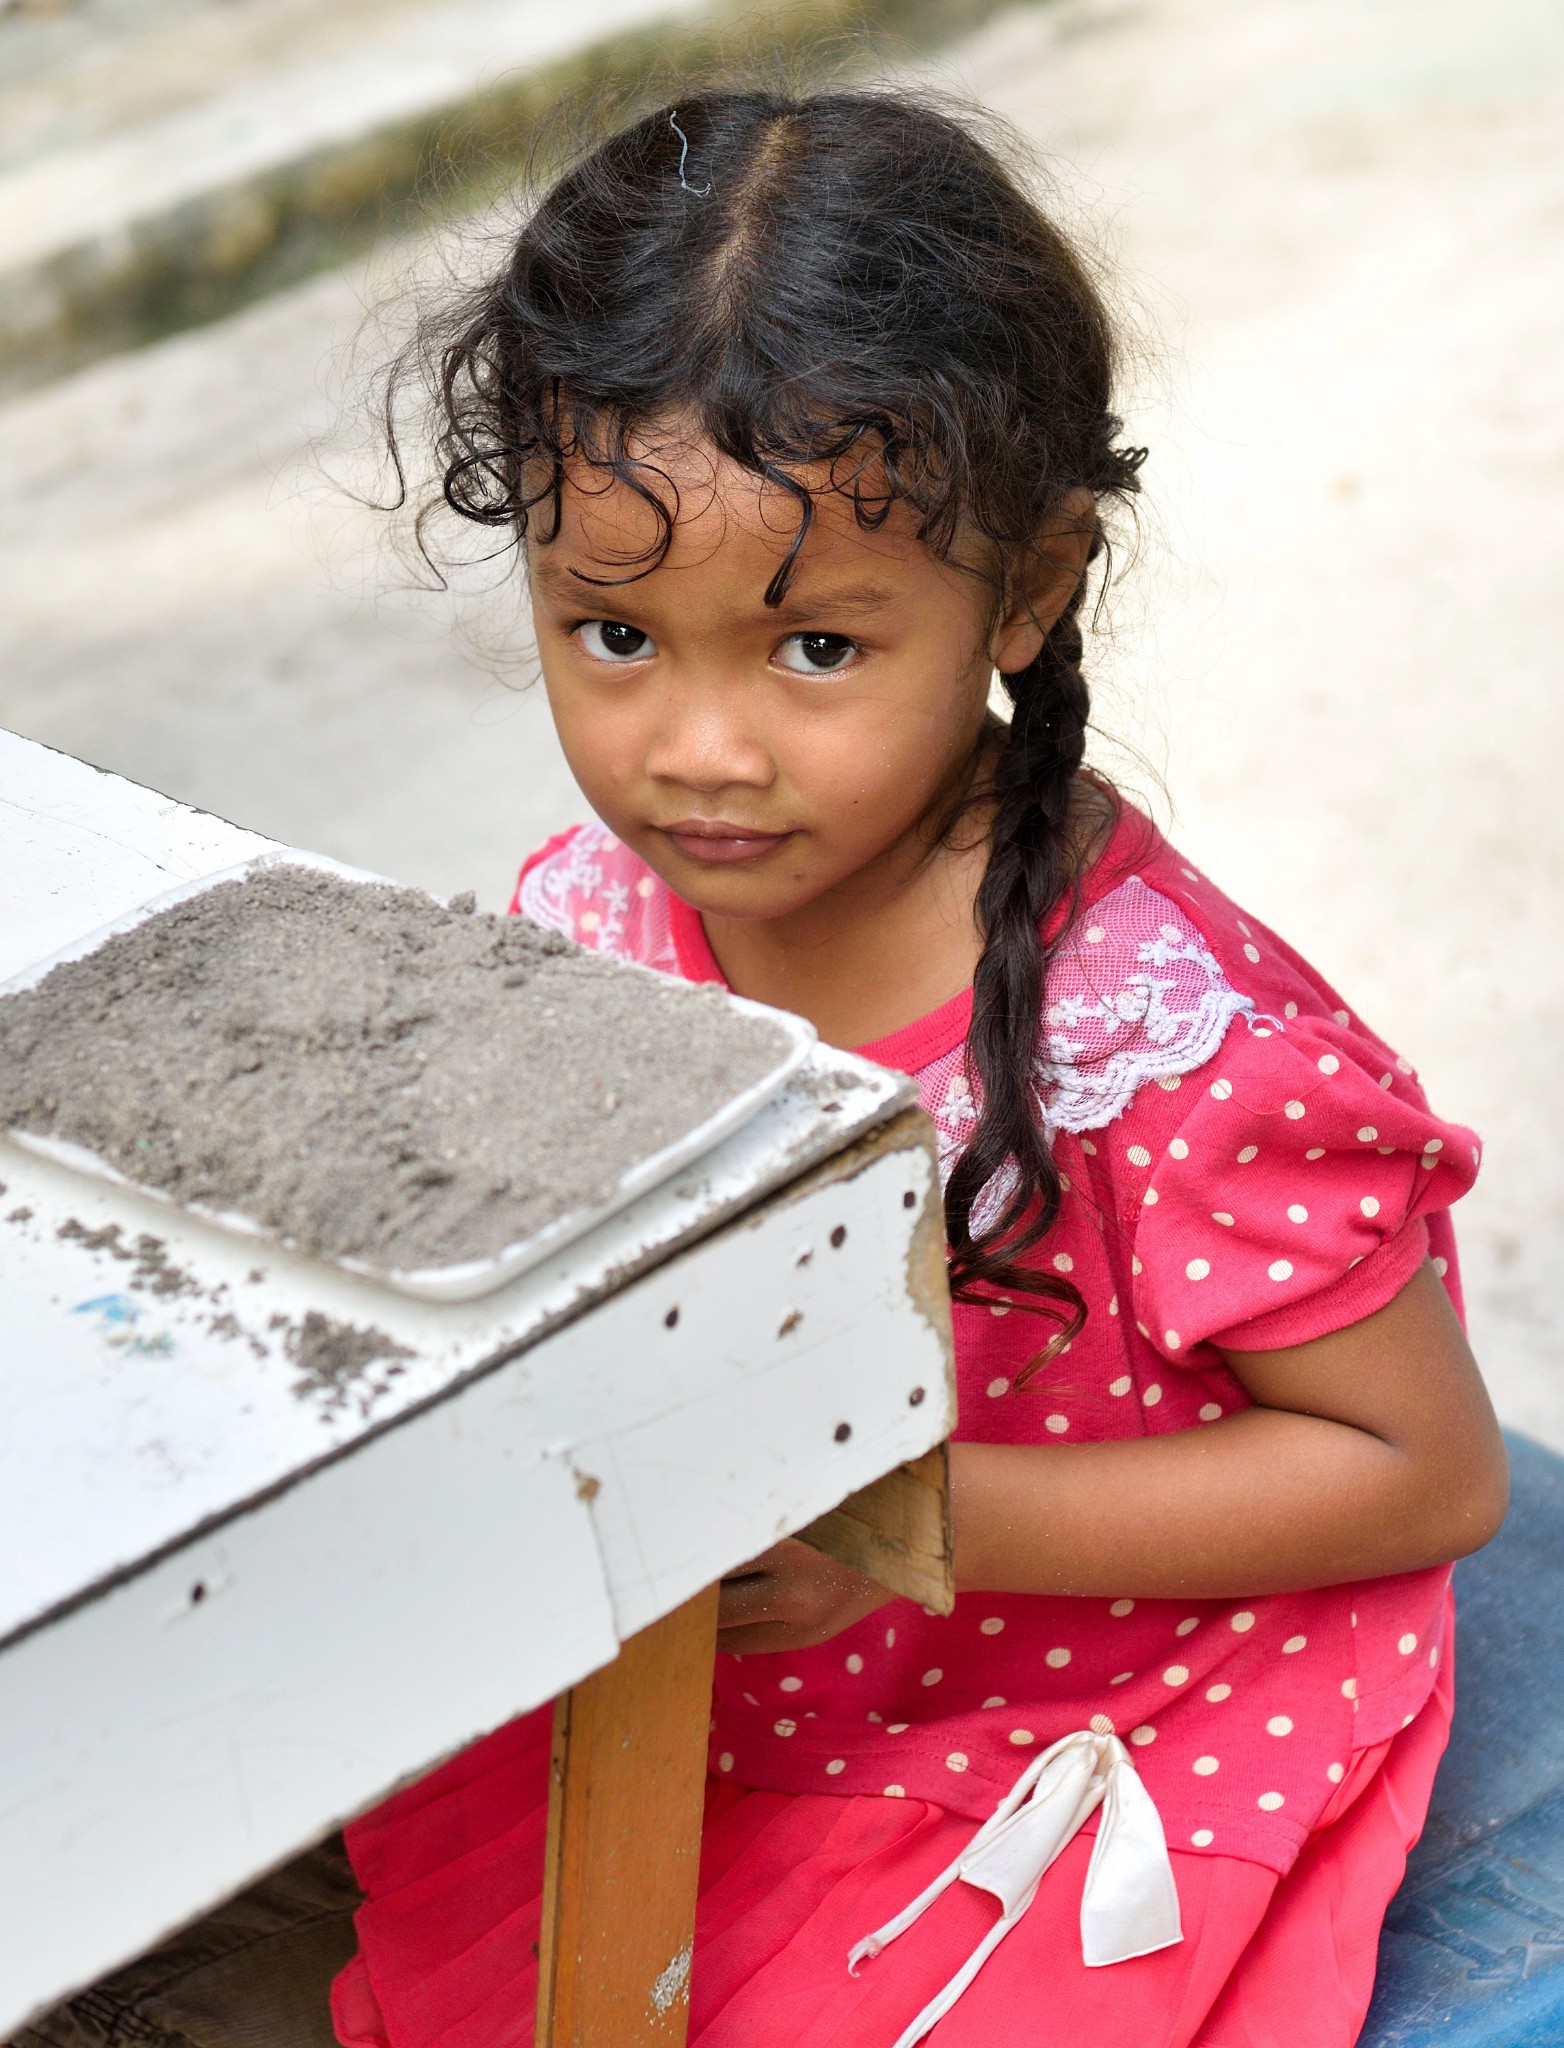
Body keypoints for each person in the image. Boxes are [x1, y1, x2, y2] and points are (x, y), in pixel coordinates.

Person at [17, 83, 1506, 2048]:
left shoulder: (1159, 1043)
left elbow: (1417, 1470)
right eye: (612, 631)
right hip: (716, 1645)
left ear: (1029, 583)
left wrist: (898, 1519)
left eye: (812, 651)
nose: (696, 749)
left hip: (1056, 1677)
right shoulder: (590, 914)